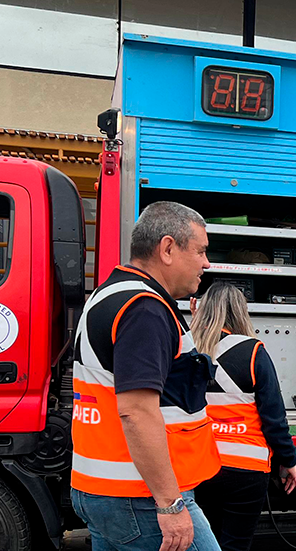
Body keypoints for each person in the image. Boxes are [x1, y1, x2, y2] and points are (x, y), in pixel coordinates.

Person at [70, 201, 221, 551]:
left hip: (100, 489)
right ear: (167, 248)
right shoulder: (145, 308)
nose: (206, 263)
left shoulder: (108, 294)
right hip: (139, 495)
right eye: (200, 251)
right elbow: (136, 411)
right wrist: (170, 504)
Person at [189, 282, 296, 551]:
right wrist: (288, 461)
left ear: (203, 311)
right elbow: (274, 418)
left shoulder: (188, 350)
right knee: (235, 545)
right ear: (241, 312)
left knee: (203, 543)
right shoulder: (254, 352)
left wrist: (193, 325)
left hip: (198, 465)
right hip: (246, 470)